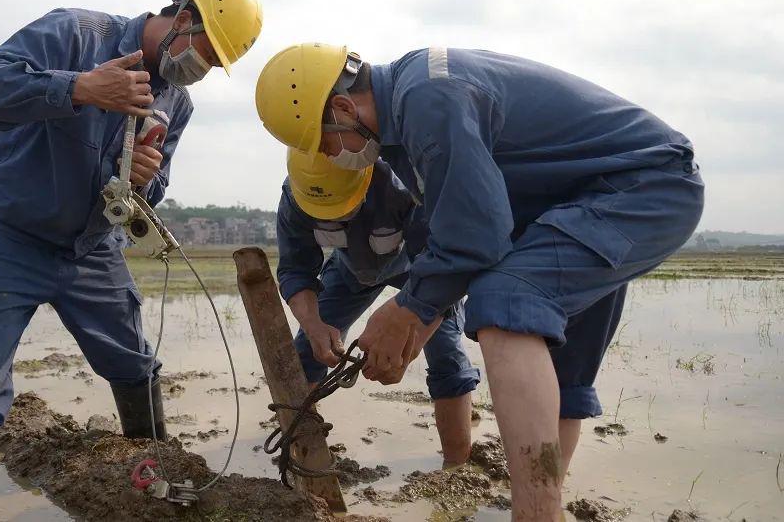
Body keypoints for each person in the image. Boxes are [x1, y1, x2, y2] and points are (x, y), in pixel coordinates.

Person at [255, 44, 703, 521]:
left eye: (326, 143)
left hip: (638, 186)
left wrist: (406, 311)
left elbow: (471, 238)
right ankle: (540, 509)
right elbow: (462, 241)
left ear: (343, 108)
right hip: (580, 205)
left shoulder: (425, 99)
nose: (331, 156)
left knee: (504, 299)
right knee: (562, 368)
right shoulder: (408, 111)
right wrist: (409, 331)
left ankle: (531, 512)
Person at [0, 0, 262, 521]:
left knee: (134, 365)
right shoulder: (76, 34)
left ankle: (150, 488)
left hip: (90, 249)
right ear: (182, 17)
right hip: (7, 236)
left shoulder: (177, 101)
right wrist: (78, 88)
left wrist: (148, 178)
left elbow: (149, 188)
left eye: (215, 64)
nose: (201, 69)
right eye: (206, 51)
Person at [277, 148, 479, 465]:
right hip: (352, 271)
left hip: (419, 272)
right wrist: (314, 325)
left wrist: (406, 349)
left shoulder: (403, 185)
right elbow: (295, 270)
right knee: (306, 353)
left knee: (447, 356)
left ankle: (456, 467)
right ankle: (303, 455)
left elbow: (443, 264)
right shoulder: (295, 196)